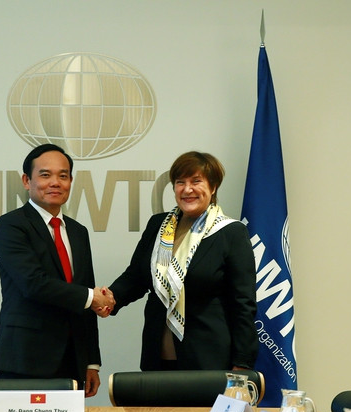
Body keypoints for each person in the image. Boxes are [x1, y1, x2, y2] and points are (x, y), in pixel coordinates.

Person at [109, 151, 258, 371]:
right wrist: (109, 298)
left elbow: (243, 303)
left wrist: (242, 362)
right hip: (157, 356)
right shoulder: (158, 225)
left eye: (196, 181)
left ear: (213, 187)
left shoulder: (230, 232)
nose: (187, 189)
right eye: (180, 182)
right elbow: (136, 277)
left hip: (208, 359)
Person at [0, 143, 115, 397]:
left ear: (70, 181)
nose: (55, 182)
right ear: (27, 181)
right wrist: (92, 297)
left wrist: (91, 362)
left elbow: (85, 292)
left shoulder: (78, 232)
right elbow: (33, 283)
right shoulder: (11, 225)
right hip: (25, 358)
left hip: (72, 360)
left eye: (63, 176)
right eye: (45, 175)